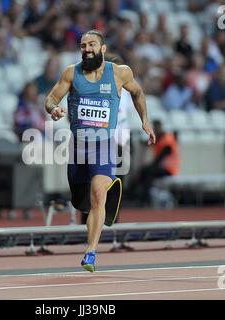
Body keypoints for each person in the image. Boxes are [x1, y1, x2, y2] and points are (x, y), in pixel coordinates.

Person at [44, 29, 155, 272]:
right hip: (78, 147)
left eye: (92, 44)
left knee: (97, 195)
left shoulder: (119, 73)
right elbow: (51, 99)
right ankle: (97, 202)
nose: (87, 49)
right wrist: (54, 109)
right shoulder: (71, 73)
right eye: (83, 46)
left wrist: (145, 120)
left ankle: (91, 251)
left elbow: (137, 93)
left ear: (103, 49)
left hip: (104, 145)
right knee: (80, 201)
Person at [133, 119, 179, 205]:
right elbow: (150, 143)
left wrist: (150, 166)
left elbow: (161, 157)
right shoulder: (160, 138)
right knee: (145, 171)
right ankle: (142, 196)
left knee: (148, 172)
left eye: (156, 128)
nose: (155, 130)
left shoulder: (167, 139)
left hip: (169, 168)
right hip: (163, 167)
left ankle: (146, 199)